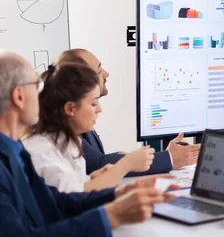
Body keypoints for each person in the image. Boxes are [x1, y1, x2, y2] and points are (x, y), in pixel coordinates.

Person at [0, 51, 175, 236]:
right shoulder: (23, 154)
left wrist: (119, 194)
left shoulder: (17, 152)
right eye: (37, 85)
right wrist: (111, 216)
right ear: (19, 96)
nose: (42, 93)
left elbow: (54, 202)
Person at [53, 49, 200, 176]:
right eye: (98, 70)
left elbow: (99, 162)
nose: (106, 73)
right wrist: (169, 158)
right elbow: (98, 164)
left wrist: (163, 157)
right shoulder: (60, 125)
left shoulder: (76, 116)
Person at [23, 63, 155, 192]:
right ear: (70, 108)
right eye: (93, 104)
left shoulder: (69, 141)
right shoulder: (41, 152)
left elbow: (77, 186)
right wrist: (126, 164)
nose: (99, 109)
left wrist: (92, 179)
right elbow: (72, 200)